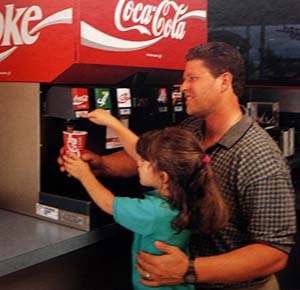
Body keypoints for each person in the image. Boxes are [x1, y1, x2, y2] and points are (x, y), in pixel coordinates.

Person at [58, 41, 297, 289]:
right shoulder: (192, 128)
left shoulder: (259, 157)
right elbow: (153, 159)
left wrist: (188, 270)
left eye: (192, 78)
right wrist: (100, 163)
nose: (183, 87)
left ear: (224, 81)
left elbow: (274, 252)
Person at [62, 109, 228, 290]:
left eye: (144, 161)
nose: (138, 162)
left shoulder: (155, 212)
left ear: (164, 177)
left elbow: (108, 204)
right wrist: (111, 122)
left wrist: (83, 174)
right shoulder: (189, 196)